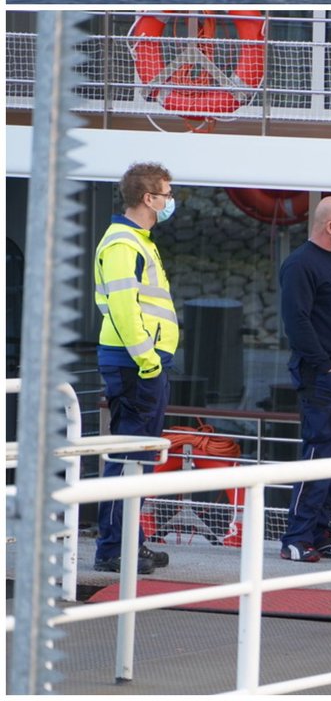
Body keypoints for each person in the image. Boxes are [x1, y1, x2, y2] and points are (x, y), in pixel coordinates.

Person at [92, 162, 180, 574]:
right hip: (135, 363)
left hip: (140, 361)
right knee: (128, 456)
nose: (170, 201)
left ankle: (129, 542)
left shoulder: (135, 240)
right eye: (167, 194)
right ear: (149, 198)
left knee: (138, 457)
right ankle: (113, 549)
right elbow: (126, 311)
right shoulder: (124, 244)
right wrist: (148, 362)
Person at [279, 196, 331, 563]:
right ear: (330, 226)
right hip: (325, 370)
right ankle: (296, 536)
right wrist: (325, 368)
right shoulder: (301, 264)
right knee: (320, 450)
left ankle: (318, 531)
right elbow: (296, 321)